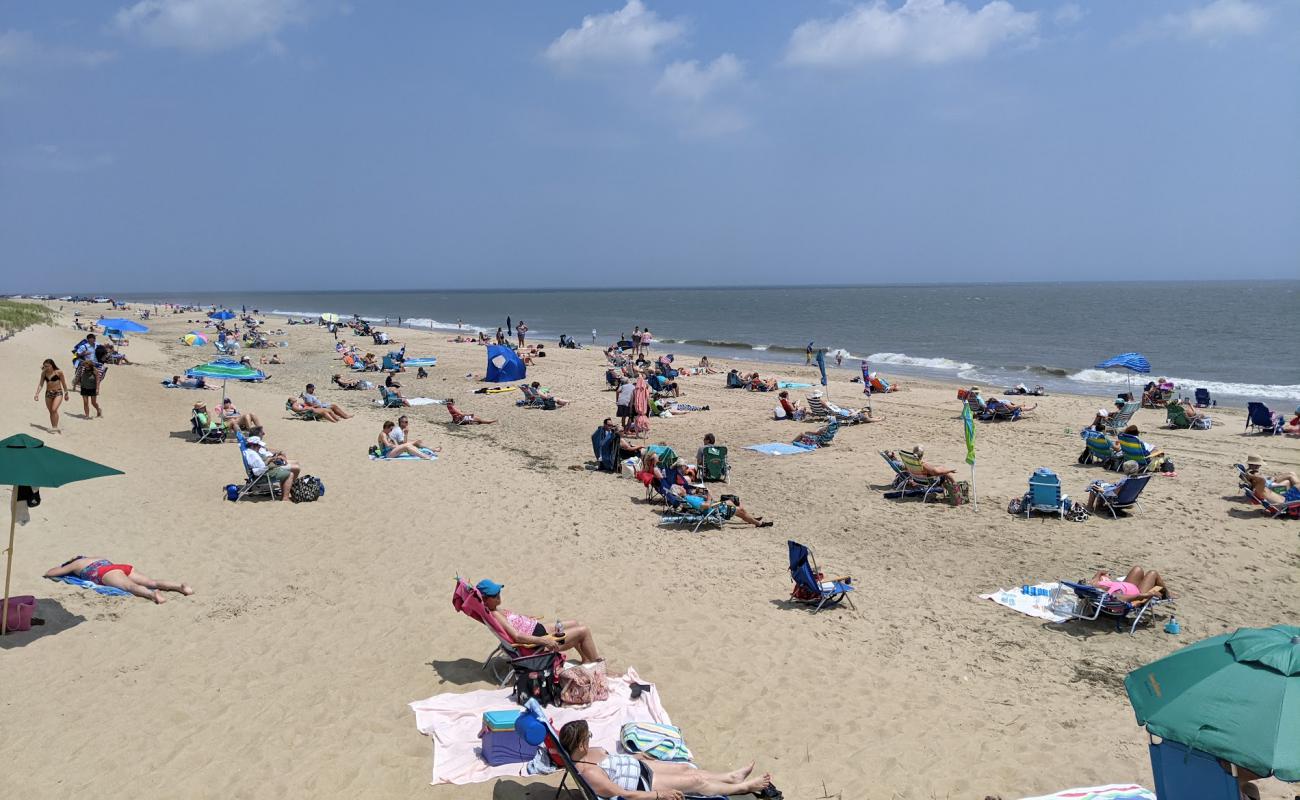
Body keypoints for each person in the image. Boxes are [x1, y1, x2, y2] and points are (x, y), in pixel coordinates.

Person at [559, 718, 774, 800]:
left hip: (639, 766)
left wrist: (635, 756)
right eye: (588, 737)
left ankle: (731, 776)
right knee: (695, 782)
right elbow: (624, 795)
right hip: (643, 784)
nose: (590, 739)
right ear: (580, 745)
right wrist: (658, 795)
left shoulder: (591, 751)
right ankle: (742, 788)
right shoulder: (589, 773)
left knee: (685, 768)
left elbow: (614, 759)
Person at [478, 579, 602, 662]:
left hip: (538, 629)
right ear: (485, 599)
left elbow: (514, 621)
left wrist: (526, 619)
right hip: (537, 644)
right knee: (584, 631)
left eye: (498, 591)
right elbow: (517, 636)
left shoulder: (494, 610)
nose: (499, 595)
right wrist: (543, 640)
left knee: (575, 623)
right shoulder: (494, 614)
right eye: (495, 594)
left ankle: (586, 660)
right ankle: (599, 666)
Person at [46, 556, 193, 604]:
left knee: (129, 587)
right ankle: (180, 586)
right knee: (151, 582)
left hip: (104, 572)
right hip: (120, 567)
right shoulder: (97, 557)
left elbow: (51, 573)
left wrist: (65, 567)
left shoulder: (76, 564)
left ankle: (153, 595)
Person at [670, 484, 772, 527]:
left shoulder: (687, 497)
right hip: (714, 510)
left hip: (714, 506)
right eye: (680, 487)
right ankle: (758, 524)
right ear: (679, 493)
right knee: (740, 509)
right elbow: (706, 506)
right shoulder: (689, 499)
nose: (682, 486)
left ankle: (751, 519)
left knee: (732, 501)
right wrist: (709, 495)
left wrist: (700, 494)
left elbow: (701, 504)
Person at [242, 434, 298, 500]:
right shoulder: (253, 455)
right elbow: (262, 467)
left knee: (292, 468)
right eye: (259, 445)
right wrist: (272, 461)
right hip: (263, 475)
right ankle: (285, 498)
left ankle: (286, 491)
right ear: (253, 445)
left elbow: (261, 464)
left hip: (263, 473)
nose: (260, 447)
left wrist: (273, 459)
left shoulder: (249, 452)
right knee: (290, 474)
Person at [1082, 566, 1171, 603]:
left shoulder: (1094, 585)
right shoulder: (1110, 594)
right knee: (1153, 573)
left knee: (1137, 569)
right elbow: (1121, 598)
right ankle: (1166, 594)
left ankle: (1166, 593)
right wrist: (1149, 594)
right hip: (1137, 593)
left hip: (1126, 585)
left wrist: (1100, 573)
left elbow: (1095, 578)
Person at [33, 359, 69, 432]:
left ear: (52, 365)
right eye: (44, 366)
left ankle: (55, 427)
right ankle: (54, 427)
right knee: (51, 411)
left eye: (47, 366)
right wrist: (37, 394)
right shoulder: (44, 373)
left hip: (58, 393)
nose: (46, 368)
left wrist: (66, 393)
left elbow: (64, 383)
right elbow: (41, 384)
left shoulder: (59, 372)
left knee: (54, 409)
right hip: (48, 393)